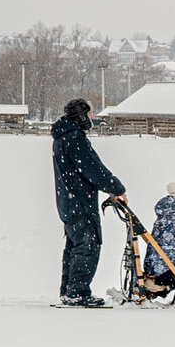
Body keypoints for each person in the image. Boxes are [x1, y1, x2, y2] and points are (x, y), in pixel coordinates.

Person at [52, 98, 128, 307]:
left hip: (68, 202)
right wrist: (116, 188)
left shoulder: (62, 137)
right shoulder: (74, 138)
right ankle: (77, 293)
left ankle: (69, 291)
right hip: (80, 203)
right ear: (81, 116)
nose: (92, 118)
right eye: (89, 114)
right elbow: (92, 168)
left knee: (75, 246)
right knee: (88, 246)